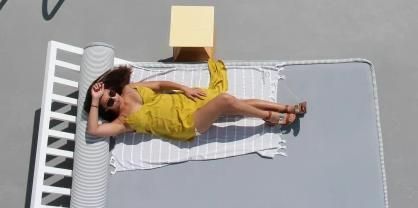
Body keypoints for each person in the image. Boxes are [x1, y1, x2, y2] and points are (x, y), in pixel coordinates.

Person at [85, 59, 306, 142]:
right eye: (108, 102)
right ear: (108, 110)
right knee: (225, 100)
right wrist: (95, 100)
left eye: (110, 94)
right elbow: (94, 130)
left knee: (239, 103)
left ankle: (288, 107)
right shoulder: (122, 123)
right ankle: (271, 118)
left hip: (190, 101)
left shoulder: (130, 89)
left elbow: (161, 86)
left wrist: (186, 88)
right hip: (187, 124)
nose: (114, 99)